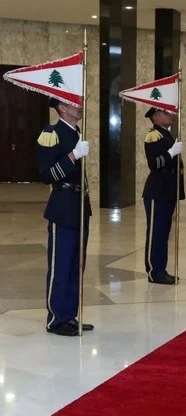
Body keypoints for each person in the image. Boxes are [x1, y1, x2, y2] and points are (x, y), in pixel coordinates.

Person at [37, 98, 93, 336]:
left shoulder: (76, 132)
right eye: (73, 103)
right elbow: (47, 174)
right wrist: (72, 156)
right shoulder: (51, 134)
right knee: (61, 264)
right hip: (63, 205)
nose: (79, 106)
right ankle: (56, 319)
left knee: (75, 265)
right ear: (61, 108)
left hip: (80, 205)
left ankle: (70, 315)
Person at [142, 107, 185, 285]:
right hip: (157, 191)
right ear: (156, 117)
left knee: (164, 233)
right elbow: (155, 164)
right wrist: (171, 152)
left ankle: (161, 269)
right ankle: (154, 271)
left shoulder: (167, 135)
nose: (171, 115)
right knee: (156, 233)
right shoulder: (154, 136)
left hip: (167, 191)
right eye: (167, 113)